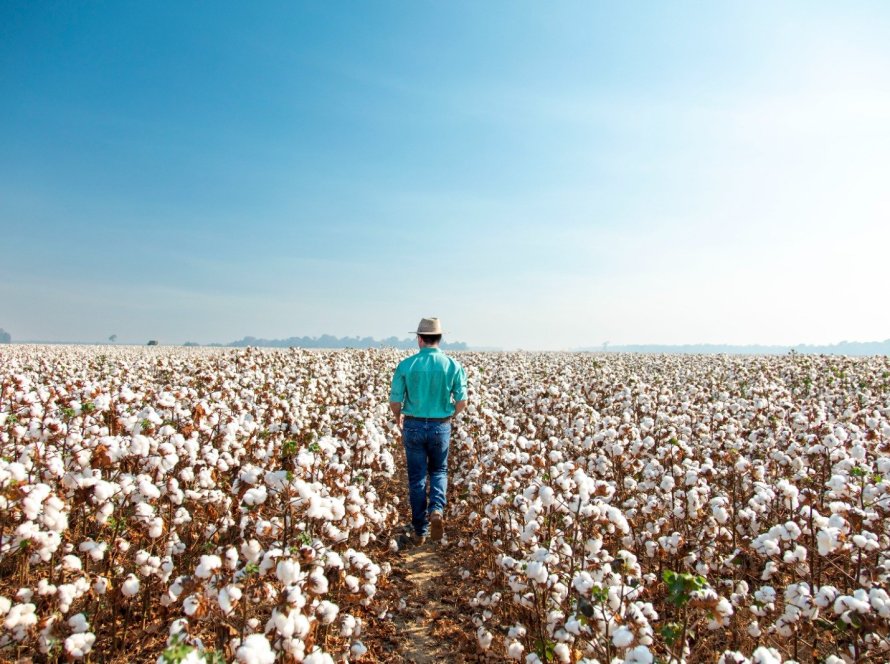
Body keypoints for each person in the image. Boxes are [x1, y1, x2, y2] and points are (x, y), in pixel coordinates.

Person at [389, 317, 467, 544]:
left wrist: (397, 417)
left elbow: (395, 400)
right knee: (439, 471)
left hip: (413, 425)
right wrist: (450, 414)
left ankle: (419, 531)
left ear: (420, 338)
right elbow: (462, 401)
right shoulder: (453, 365)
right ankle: (436, 509)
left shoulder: (406, 365)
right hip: (440, 425)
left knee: (416, 479)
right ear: (440, 338)